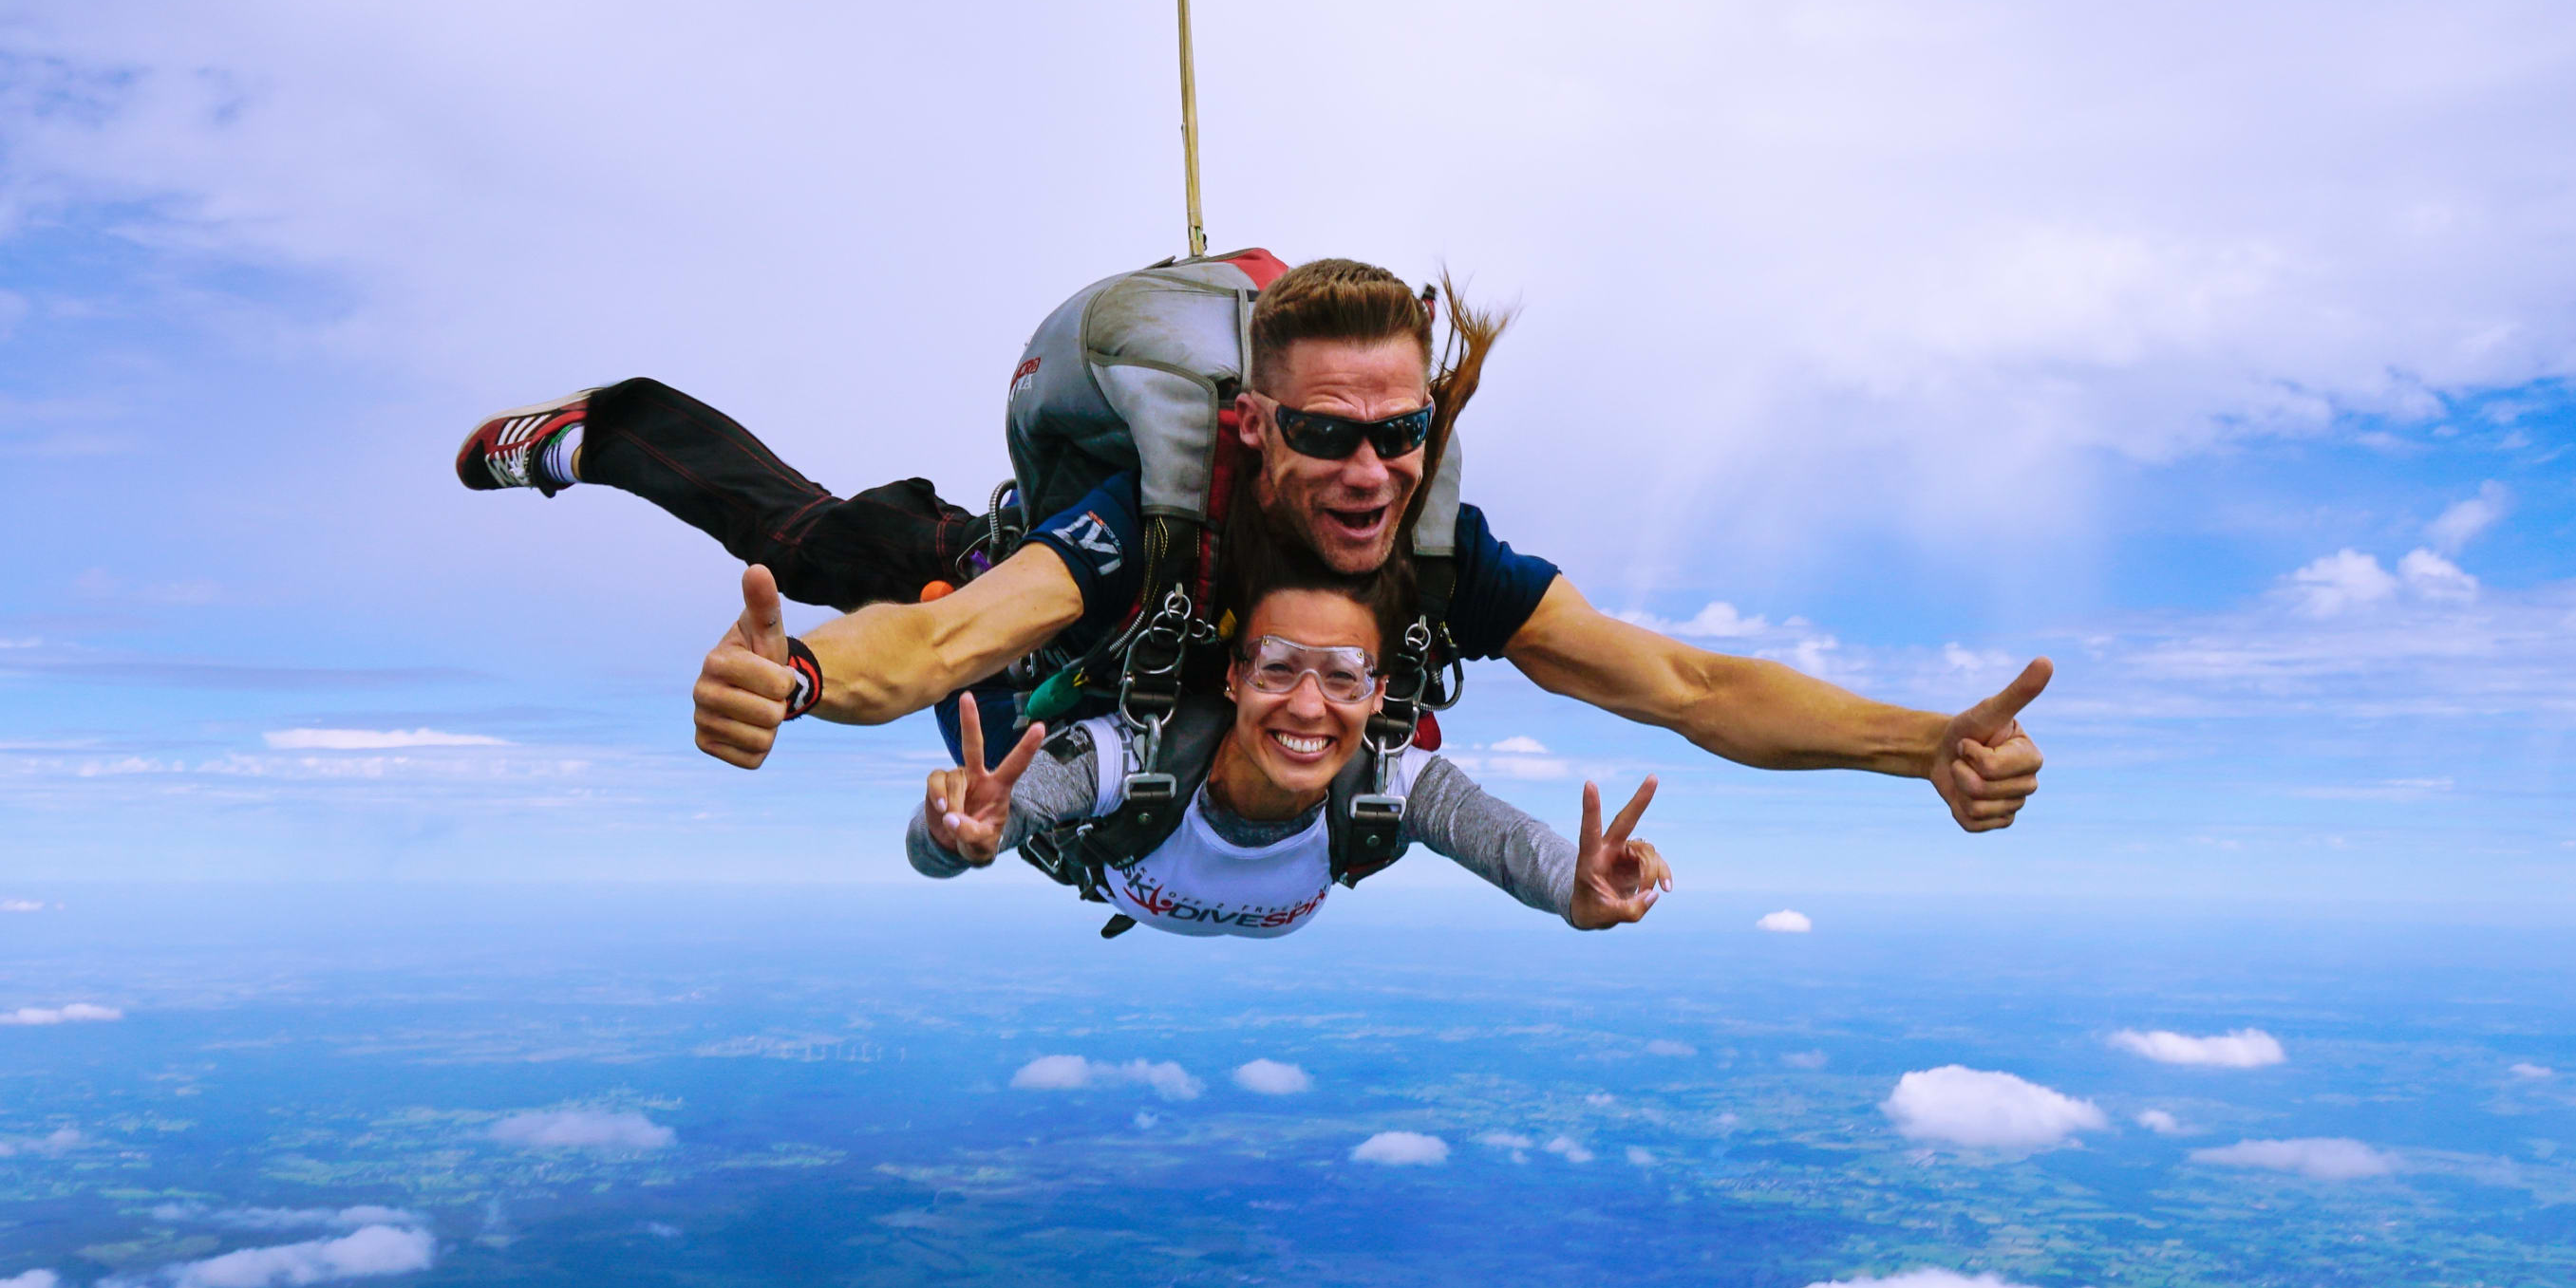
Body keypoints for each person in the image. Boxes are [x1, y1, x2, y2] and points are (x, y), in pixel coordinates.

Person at [455, 257, 2048, 832]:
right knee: (842, 543)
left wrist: (1924, 747)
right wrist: (792, 684)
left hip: (1196, 681)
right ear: (1248, 433)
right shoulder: (1133, 532)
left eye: (1398, 433)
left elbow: (1683, 684)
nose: (1369, 472)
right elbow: (936, 647)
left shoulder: (1440, 552)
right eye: (1328, 435)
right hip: (1073, 600)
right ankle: (614, 422)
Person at [912, 568, 1670, 941]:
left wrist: (1572, 891)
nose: (1308, 705)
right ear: (1235, 677)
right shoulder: (1136, 755)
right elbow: (1002, 815)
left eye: (1343, 674)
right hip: (1062, 775)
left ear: (1380, 697)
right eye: (1278, 666)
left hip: (1119, 868)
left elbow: (1498, 839)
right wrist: (953, 835)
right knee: (959, 668)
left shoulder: (1386, 779)